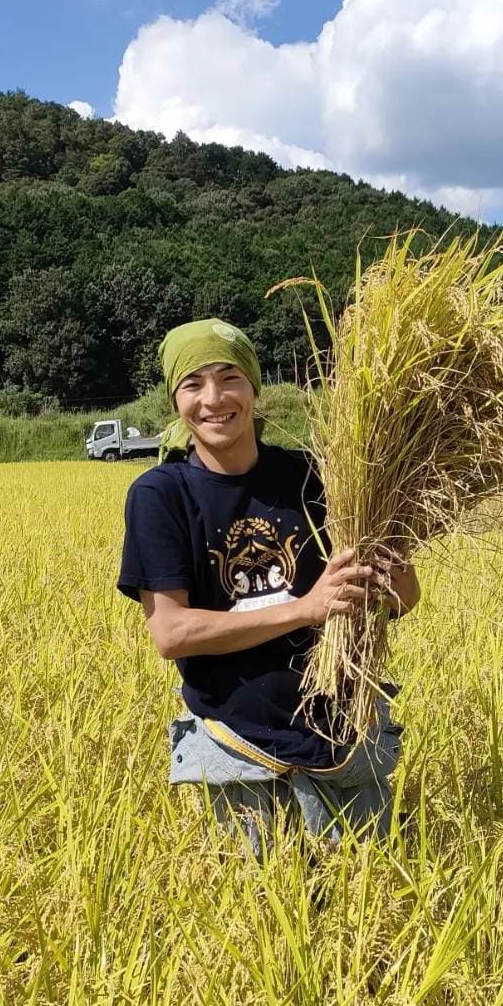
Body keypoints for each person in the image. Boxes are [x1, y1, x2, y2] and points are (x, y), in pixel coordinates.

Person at [117, 318, 420, 855]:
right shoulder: (161, 495)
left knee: (368, 904)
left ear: (254, 386)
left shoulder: (321, 475)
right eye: (193, 383)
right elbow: (172, 632)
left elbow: (404, 598)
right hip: (240, 748)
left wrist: (389, 566)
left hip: (345, 736)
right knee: (260, 916)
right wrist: (307, 608)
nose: (213, 399)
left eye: (229, 377)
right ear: (175, 399)